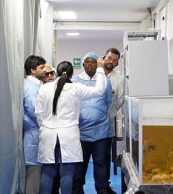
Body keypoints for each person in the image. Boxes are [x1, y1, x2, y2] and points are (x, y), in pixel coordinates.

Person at [35, 59, 107, 194]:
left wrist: (45, 127)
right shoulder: (76, 88)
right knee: (67, 173)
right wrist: (100, 70)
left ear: (56, 73)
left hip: (47, 133)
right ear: (71, 74)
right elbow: (99, 90)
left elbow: (38, 113)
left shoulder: (44, 87)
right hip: (69, 134)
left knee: (48, 172)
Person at [72, 53, 112, 194]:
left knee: (101, 164)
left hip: (100, 132)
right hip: (80, 133)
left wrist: (95, 115)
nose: (90, 64)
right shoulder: (75, 81)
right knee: (79, 165)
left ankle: (102, 190)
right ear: (83, 65)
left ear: (97, 65)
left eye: (93, 62)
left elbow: (108, 103)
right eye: (87, 62)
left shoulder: (104, 81)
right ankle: (77, 190)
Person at [23, 55, 47, 194]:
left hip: (37, 133)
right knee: (33, 175)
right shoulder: (30, 87)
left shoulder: (36, 85)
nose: (44, 70)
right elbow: (34, 110)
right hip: (33, 134)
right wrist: (47, 125)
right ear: (32, 70)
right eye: (41, 67)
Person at [103, 48, 123, 194]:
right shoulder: (92, 75)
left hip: (107, 125)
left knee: (104, 158)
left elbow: (120, 101)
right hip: (86, 127)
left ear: (117, 63)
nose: (111, 61)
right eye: (109, 58)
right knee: (82, 159)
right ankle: (77, 188)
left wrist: (108, 114)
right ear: (104, 57)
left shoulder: (119, 79)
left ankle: (104, 187)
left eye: (115, 60)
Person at [41, 64, 60, 194]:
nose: (49, 76)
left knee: (59, 170)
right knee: (48, 171)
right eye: (46, 74)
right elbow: (37, 114)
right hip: (46, 135)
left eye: (51, 73)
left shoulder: (61, 90)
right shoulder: (41, 90)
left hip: (60, 137)